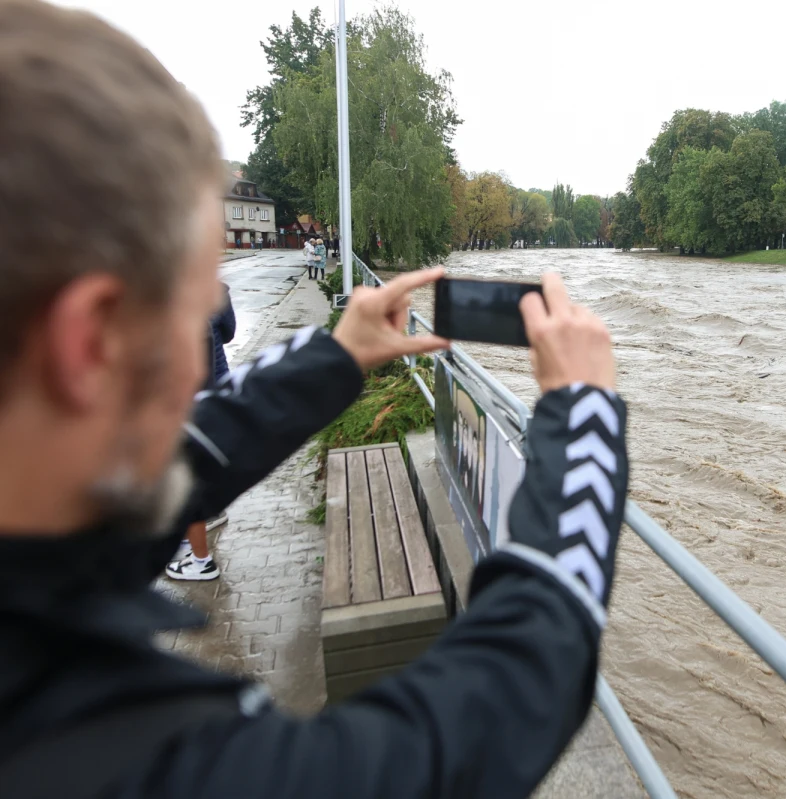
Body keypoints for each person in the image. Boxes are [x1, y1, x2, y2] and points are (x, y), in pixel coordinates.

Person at [0, 4, 628, 798]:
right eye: (199, 314)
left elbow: (175, 464)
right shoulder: (169, 766)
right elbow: (498, 702)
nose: (211, 333)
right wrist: (582, 418)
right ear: (88, 344)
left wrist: (337, 354)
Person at [166, 283, 236, 581]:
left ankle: (201, 560)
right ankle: (197, 532)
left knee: (187, 479)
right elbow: (229, 333)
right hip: (215, 391)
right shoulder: (214, 292)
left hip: (189, 402)